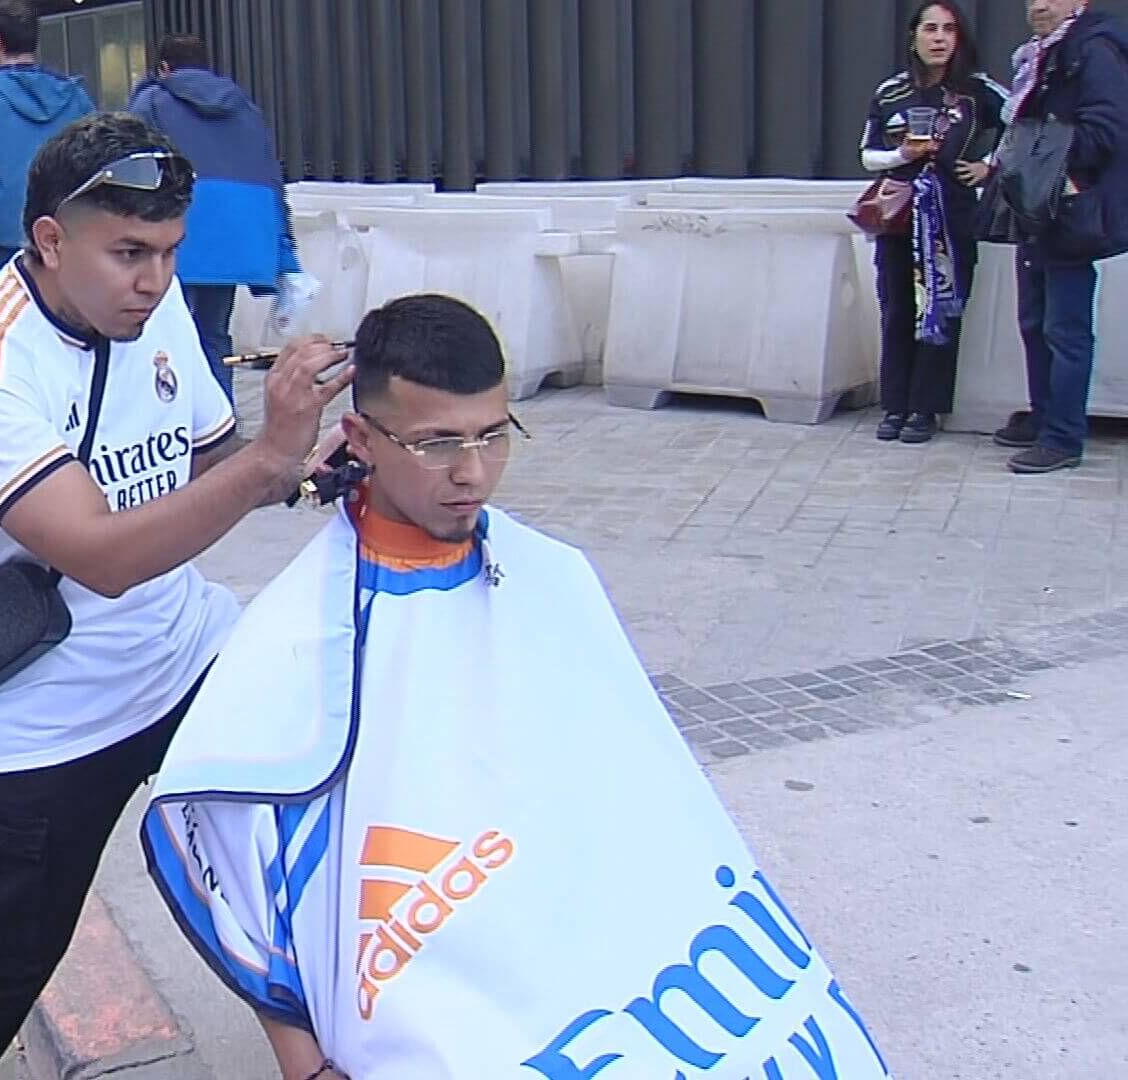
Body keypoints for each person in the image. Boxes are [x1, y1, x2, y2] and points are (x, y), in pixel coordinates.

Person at [140, 295, 894, 1080]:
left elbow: (647, 805)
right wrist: (305, 1063)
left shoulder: (553, 576)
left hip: (612, 967)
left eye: (492, 435)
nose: (472, 472)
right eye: (435, 444)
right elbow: (232, 861)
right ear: (360, 438)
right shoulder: (294, 642)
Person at [0, 112, 353, 1080]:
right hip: (57, 711)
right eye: (129, 253)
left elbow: (212, 459)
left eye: (171, 252)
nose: (153, 280)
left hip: (189, 653)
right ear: (50, 241)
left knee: (295, 863)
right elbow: (100, 554)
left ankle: (314, 1062)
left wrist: (309, 464)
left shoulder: (155, 305)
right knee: (9, 956)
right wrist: (267, 461)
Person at [861, 2, 1007, 445]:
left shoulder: (979, 92)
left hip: (951, 217)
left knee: (941, 308)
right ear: (914, 36)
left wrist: (988, 166)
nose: (939, 37)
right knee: (898, 307)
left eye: (949, 29)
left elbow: (1022, 125)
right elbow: (867, 154)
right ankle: (896, 405)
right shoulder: (891, 92)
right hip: (900, 215)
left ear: (959, 38)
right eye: (930, 28)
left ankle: (926, 409)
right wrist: (901, 156)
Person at [993, 0, 1128, 473]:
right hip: (1035, 208)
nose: (1039, 5)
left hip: (1067, 208)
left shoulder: (1094, 50)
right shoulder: (1041, 54)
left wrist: (1054, 170)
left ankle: (1064, 437)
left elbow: (1107, 128)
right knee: (1033, 320)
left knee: (1064, 329)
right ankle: (1046, 415)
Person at [129, 33, 300, 403]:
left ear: (164, 68)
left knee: (164, 331)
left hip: (175, 231)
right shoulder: (243, 108)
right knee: (214, 333)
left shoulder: (152, 101)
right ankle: (220, 419)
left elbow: (130, 162)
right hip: (232, 234)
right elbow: (271, 175)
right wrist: (284, 244)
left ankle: (170, 416)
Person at [0, 0, 94, 286]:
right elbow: (97, 159)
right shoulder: (74, 97)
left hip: (3, 238)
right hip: (65, 232)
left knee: (0, 322)